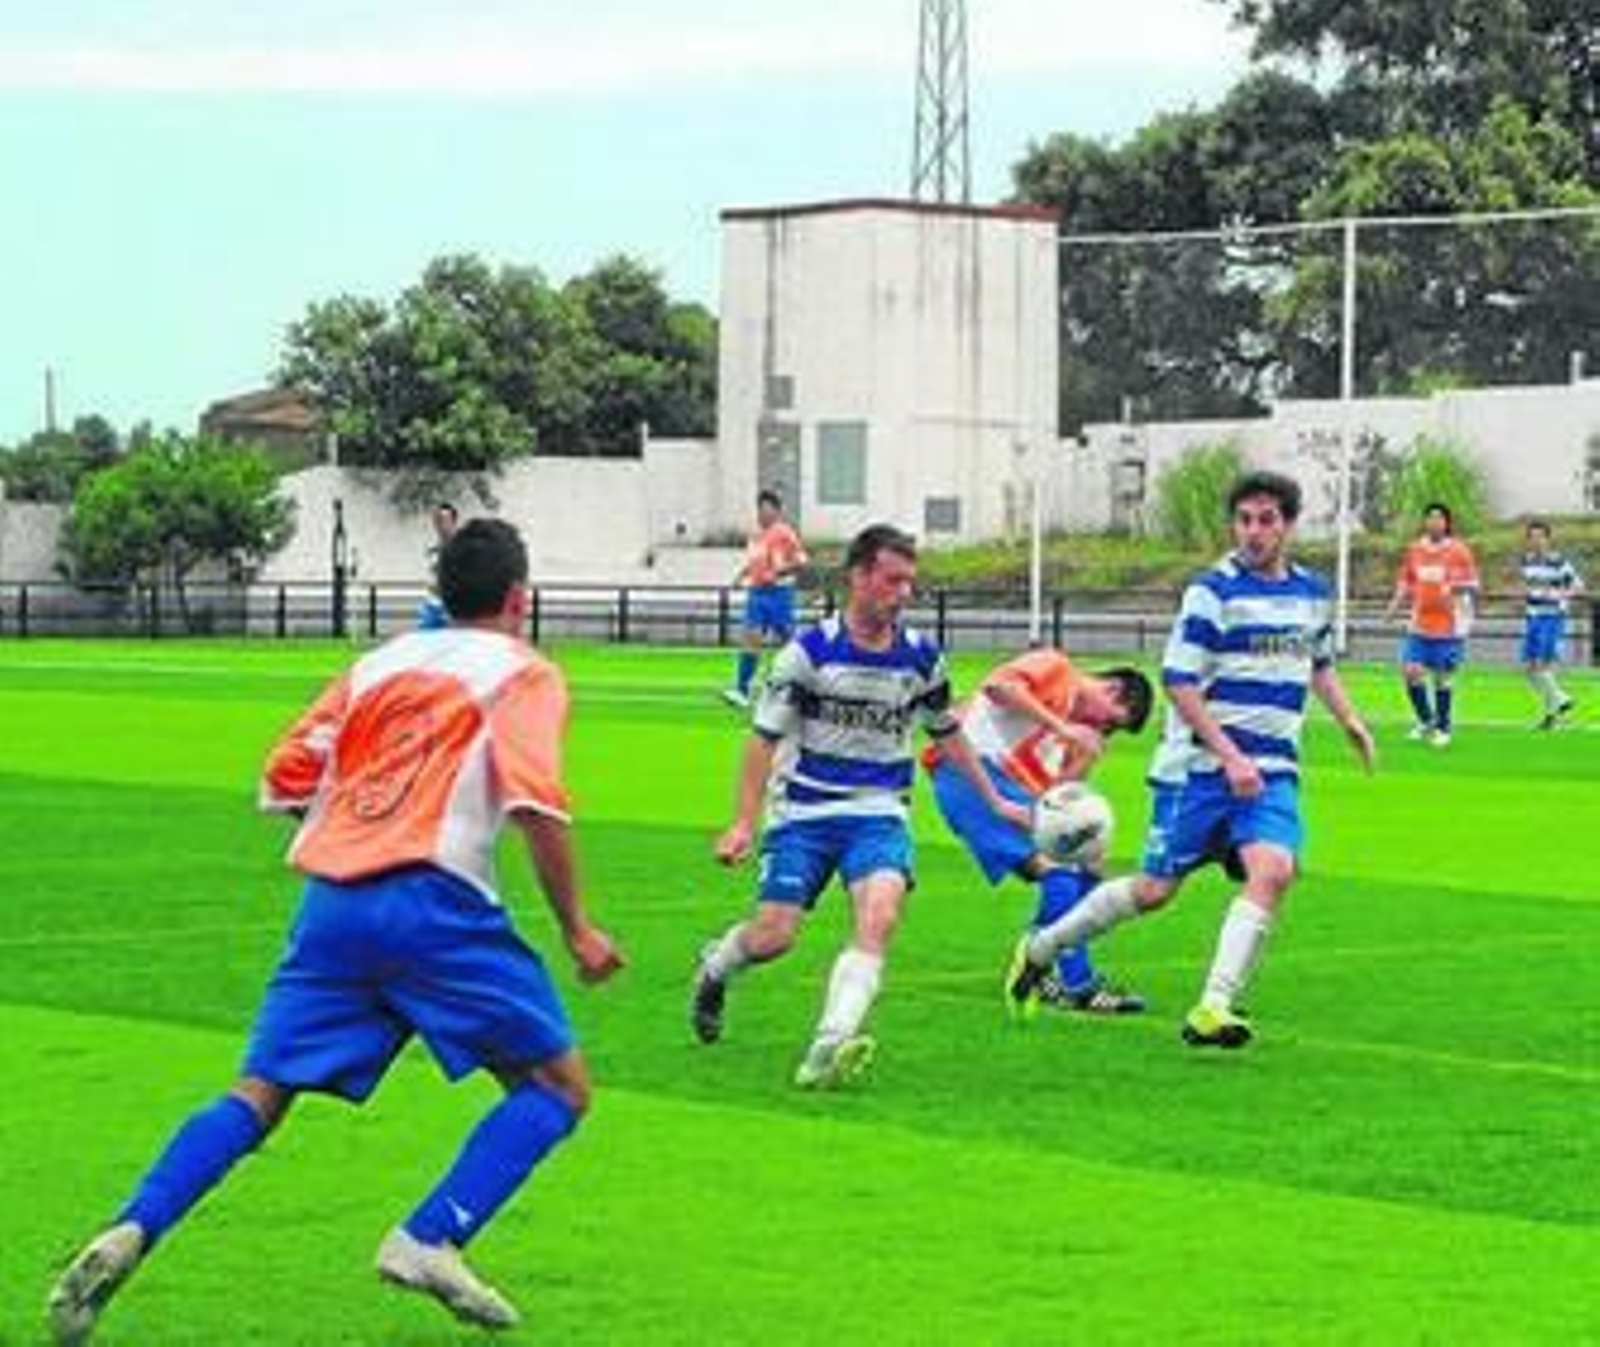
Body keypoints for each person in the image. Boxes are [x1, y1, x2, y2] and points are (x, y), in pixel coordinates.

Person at [47, 519, 624, 1343]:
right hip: (434, 900)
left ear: (442, 593)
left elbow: (285, 773)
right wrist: (578, 928)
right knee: (558, 1087)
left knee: (258, 1093)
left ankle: (132, 1226)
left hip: (332, 903)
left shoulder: (378, 663)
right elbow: (536, 801)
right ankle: (431, 1235)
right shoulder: (523, 671)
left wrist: (358, 812)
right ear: (518, 600)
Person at [1005, 471, 1375, 1049]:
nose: (1254, 532)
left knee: (1273, 870)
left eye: (1267, 520)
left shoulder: (1311, 593)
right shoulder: (1212, 591)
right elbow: (1179, 681)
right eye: (1245, 520)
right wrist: (1228, 756)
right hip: (1197, 771)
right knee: (1154, 891)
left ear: (1289, 525)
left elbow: (1319, 661)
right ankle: (1041, 949)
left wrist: (1349, 718)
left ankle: (1214, 1005)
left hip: (1271, 770)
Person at [690, 523, 1029, 1088]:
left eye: (909, 584)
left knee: (879, 916)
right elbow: (762, 740)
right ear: (859, 577)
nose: (903, 594)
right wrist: (743, 823)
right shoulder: (810, 652)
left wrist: (995, 799)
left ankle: (831, 1041)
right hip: (804, 812)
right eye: (892, 581)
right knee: (774, 936)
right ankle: (716, 967)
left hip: (879, 812)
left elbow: (947, 733)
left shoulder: (921, 656)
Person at [922, 648, 1154, 1014]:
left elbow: (1054, 800)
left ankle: (1059, 975)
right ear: (1111, 689)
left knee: (1086, 873)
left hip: (1009, 792)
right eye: (1109, 723)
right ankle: (1055, 970)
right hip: (969, 774)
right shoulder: (1057, 669)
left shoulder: (1067, 738)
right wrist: (1062, 728)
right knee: (1061, 874)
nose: (1102, 732)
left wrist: (1081, 762)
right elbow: (1000, 686)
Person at [1385, 502, 1479, 747]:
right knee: (1410, 671)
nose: (1435, 522)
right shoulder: (1415, 549)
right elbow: (1406, 581)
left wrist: (1455, 587)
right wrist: (1393, 607)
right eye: (1430, 518)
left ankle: (1443, 727)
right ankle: (1427, 720)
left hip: (1450, 626)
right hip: (1420, 624)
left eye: (1439, 518)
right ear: (1425, 522)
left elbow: (1474, 585)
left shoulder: (1459, 550)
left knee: (1442, 677)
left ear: (1447, 523)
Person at [722, 489, 808, 708]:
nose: (762, 514)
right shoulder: (756, 536)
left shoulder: (785, 533)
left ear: (777, 511)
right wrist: (741, 576)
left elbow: (801, 561)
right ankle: (742, 689)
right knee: (751, 638)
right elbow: (754, 562)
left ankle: (802, 685)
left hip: (779, 594)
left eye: (767, 509)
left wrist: (780, 572)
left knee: (788, 642)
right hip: (757, 593)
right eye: (760, 509)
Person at [1517, 518, 1583, 729]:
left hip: (1552, 616)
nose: (1536, 541)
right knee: (1528, 668)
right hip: (1532, 617)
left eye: (1540, 537)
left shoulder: (1559, 561)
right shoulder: (1526, 561)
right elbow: (1527, 586)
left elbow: (1578, 586)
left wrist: (1558, 594)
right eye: (1532, 537)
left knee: (1543, 665)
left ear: (1548, 539)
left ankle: (1552, 714)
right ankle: (1560, 700)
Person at [416, 501, 460, 631]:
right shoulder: (432, 549)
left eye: (444, 519)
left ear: (453, 521)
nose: (440, 523)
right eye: (437, 519)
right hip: (432, 605)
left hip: (453, 606)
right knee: (425, 642)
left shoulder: (462, 548)